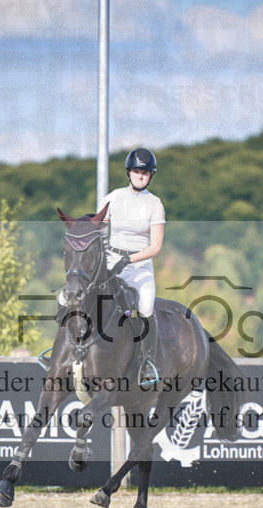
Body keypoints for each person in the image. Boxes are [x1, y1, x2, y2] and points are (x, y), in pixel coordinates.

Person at [103, 147, 165, 387]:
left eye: (146, 173)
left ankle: (147, 362)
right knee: (79, 293)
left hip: (139, 265)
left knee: (146, 306)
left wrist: (129, 260)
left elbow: (156, 246)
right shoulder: (113, 197)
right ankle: (63, 350)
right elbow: (98, 227)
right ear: (129, 172)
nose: (141, 176)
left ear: (151, 176)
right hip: (110, 258)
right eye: (137, 171)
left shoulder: (155, 204)